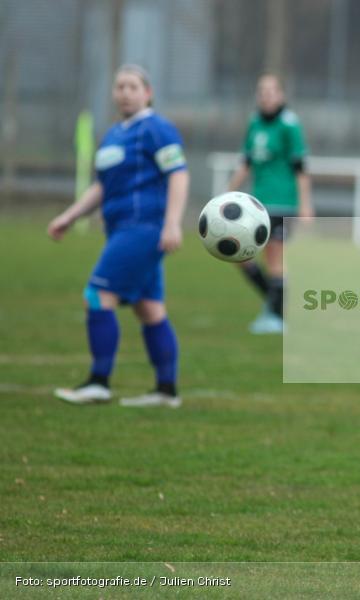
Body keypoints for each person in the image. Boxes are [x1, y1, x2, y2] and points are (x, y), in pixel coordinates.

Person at [48, 64, 189, 408]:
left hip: (144, 228)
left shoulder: (157, 128)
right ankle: (166, 390)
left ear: (148, 93)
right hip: (120, 230)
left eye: (132, 86)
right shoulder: (113, 135)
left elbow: (178, 174)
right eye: (119, 87)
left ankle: (99, 382)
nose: (125, 93)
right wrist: (70, 216)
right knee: (149, 308)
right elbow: (101, 187)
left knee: (97, 295)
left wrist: (172, 223)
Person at [227, 73, 314, 334]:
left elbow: (300, 168)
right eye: (261, 91)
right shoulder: (254, 123)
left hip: (282, 202)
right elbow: (246, 163)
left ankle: (275, 317)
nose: (265, 96)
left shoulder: (289, 125)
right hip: (256, 203)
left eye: (271, 91)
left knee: (274, 257)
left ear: (281, 95)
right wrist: (227, 194)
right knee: (239, 255)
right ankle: (274, 304)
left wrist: (305, 205)